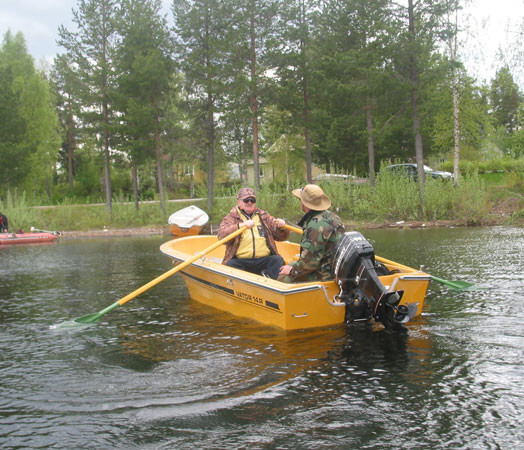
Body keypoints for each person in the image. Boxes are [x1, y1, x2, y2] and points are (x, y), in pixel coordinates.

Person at [217, 187, 290, 279]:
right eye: (246, 200)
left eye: (252, 200)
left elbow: (281, 237)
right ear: (239, 202)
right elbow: (221, 236)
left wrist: (282, 228)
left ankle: (268, 278)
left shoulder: (264, 217)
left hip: (263, 260)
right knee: (230, 264)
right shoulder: (231, 218)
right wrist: (241, 226)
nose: (249, 203)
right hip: (241, 261)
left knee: (277, 259)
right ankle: (244, 282)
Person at [279, 184, 345, 282]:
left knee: (282, 278)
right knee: (289, 266)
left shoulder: (314, 227)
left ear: (304, 204)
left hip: (323, 276)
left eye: (300, 200)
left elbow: (309, 264)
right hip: (336, 271)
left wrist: (291, 270)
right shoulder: (335, 218)